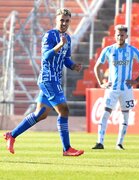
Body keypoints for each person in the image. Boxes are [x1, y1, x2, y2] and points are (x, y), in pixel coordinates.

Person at [3, 8, 84, 156]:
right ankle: (67, 149)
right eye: (62, 20)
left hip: (54, 80)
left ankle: (12, 135)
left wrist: (73, 65)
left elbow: (66, 59)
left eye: (67, 21)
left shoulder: (68, 38)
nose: (64, 23)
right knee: (64, 110)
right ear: (56, 20)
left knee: (41, 114)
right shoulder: (50, 35)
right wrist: (59, 45)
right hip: (49, 79)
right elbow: (45, 56)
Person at [92, 24, 139, 150]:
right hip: (112, 88)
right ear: (114, 35)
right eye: (118, 34)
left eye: (122, 35)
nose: (120, 37)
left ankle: (119, 143)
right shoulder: (108, 50)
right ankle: (100, 142)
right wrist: (101, 82)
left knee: (125, 115)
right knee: (105, 113)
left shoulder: (132, 50)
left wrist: (137, 80)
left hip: (126, 89)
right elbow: (97, 67)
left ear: (126, 36)